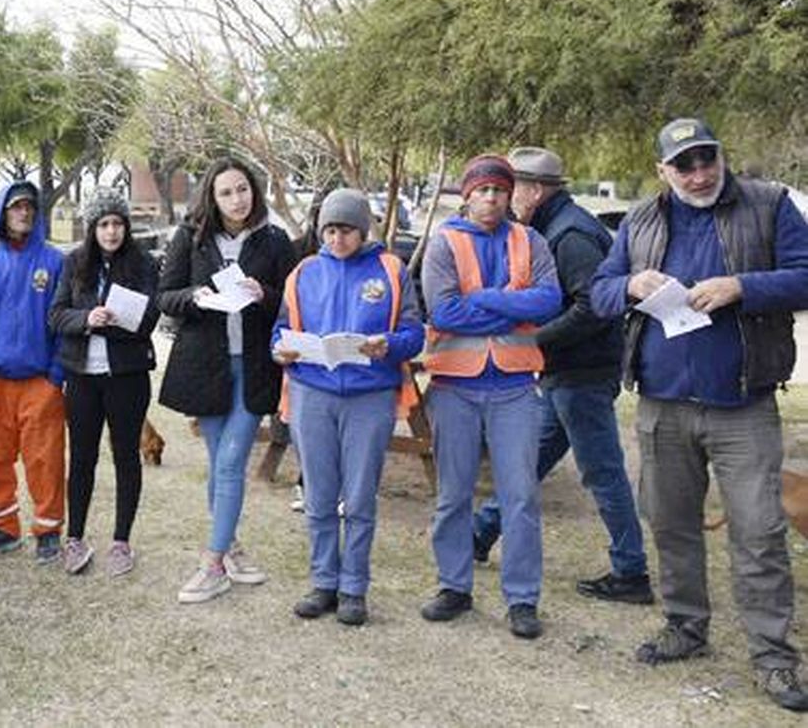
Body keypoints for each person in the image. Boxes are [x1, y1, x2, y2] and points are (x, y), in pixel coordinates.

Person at [591, 119, 808, 712]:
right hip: (663, 404)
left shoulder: (768, 205)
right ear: (663, 171)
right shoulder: (640, 219)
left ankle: (773, 657)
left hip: (742, 404)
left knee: (760, 532)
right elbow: (599, 290)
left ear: (721, 156)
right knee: (670, 523)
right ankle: (686, 627)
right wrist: (631, 282)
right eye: (683, 165)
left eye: (706, 158)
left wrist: (743, 286)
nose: (698, 173)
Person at [470, 147, 652, 604]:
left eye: (512, 190)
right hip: (567, 371)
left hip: (583, 373)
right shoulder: (555, 225)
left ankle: (631, 572)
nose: (505, 199)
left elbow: (594, 306)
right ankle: (478, 533)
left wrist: (532, 342)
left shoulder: (569, 234)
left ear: (534, 191)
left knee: (603, 471)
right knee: (529, 457)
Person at [419, 155, 561, 640]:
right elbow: (444, 311)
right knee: (453, 494)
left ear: (510, 194)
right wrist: (511, 308)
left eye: (500, 190)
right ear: (467, 195)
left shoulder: (531, 240)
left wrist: (484, 299)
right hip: (455, 387)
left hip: (515, 388)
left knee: (520, 495)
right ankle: (454, 587)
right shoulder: (444, 242)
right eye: (482, 190)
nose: (492, 198)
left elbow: (548, 301)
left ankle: (522, 598)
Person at [272, 189, 424, 626]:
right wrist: (279, 350)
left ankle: (354, 586)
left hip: (369, 395)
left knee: (358, 497)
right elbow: (282, 328)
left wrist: (389, 346)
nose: (337, 239)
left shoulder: (390, 270)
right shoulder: (304, 272)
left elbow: (414, 333)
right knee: (318, 495)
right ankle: (323, 581)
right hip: (312, 392)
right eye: (331, 230)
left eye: (346, 231)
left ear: (363, 230)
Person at [157, 158, 296, 604]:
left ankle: (213, 562)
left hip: (254, 368)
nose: (237, 199)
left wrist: (266, 295)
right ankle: (232, 545)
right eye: (226, 193)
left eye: (242, 189)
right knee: (220, 463)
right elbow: (166, 295)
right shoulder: (192, 238)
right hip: (206, 367)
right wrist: (194, 297)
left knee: (233, 461)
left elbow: (292, 303)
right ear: (212, 198)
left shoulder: (274, 240)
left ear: (253, 191)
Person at [48, 193, 160, 577]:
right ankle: (75, 538)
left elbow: (148, 322)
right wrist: (87, 318)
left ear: (126, 227)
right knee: (82, 458)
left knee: (127, 456)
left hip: (127, 377)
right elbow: (57, 316)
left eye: (117, 223)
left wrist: (114, 324)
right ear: (92, 228)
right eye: (103, 224)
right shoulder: (74, 263)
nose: (111, 231)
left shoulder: (143, 263)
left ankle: (121, 541)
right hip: (81, 377)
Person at [0, 181, 67, 563]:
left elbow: (63, 321)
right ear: (3, 211)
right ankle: (2, 528)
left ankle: (49, 529)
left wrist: (56, 374)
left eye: (29, 206)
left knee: (46, 460)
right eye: (15, 206)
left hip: (40, 382)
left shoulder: (54, 261)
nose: (23, 212)